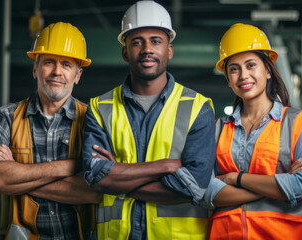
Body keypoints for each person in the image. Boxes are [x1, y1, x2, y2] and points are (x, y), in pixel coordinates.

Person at [82, 1, 216, 239]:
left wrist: (118, 176)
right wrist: (165, 166)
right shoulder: (99, 107)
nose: (147, 49)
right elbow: (96, 176)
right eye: (136, 42)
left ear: (169, 50)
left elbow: (194, 186)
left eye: (156, 41)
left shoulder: (198, 108)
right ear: (125, 52)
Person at [0, 22, 101, 240]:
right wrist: (70, 167)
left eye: (66, 64)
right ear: (35, 69)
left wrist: (17, 176)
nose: (56, 71)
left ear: (78, 75)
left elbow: (94, 191)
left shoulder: (95, 119)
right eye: (48, 62)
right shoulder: (6, 117)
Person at [203, 23, 302, 239]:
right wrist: (279, 185)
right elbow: (207, 192)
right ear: (228, 79)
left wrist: (235, 179)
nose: (243, 75)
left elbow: (301, 186)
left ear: (267, 70)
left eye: (250, 65)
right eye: (234, 69)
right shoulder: (217, 129)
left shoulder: (299, 123)